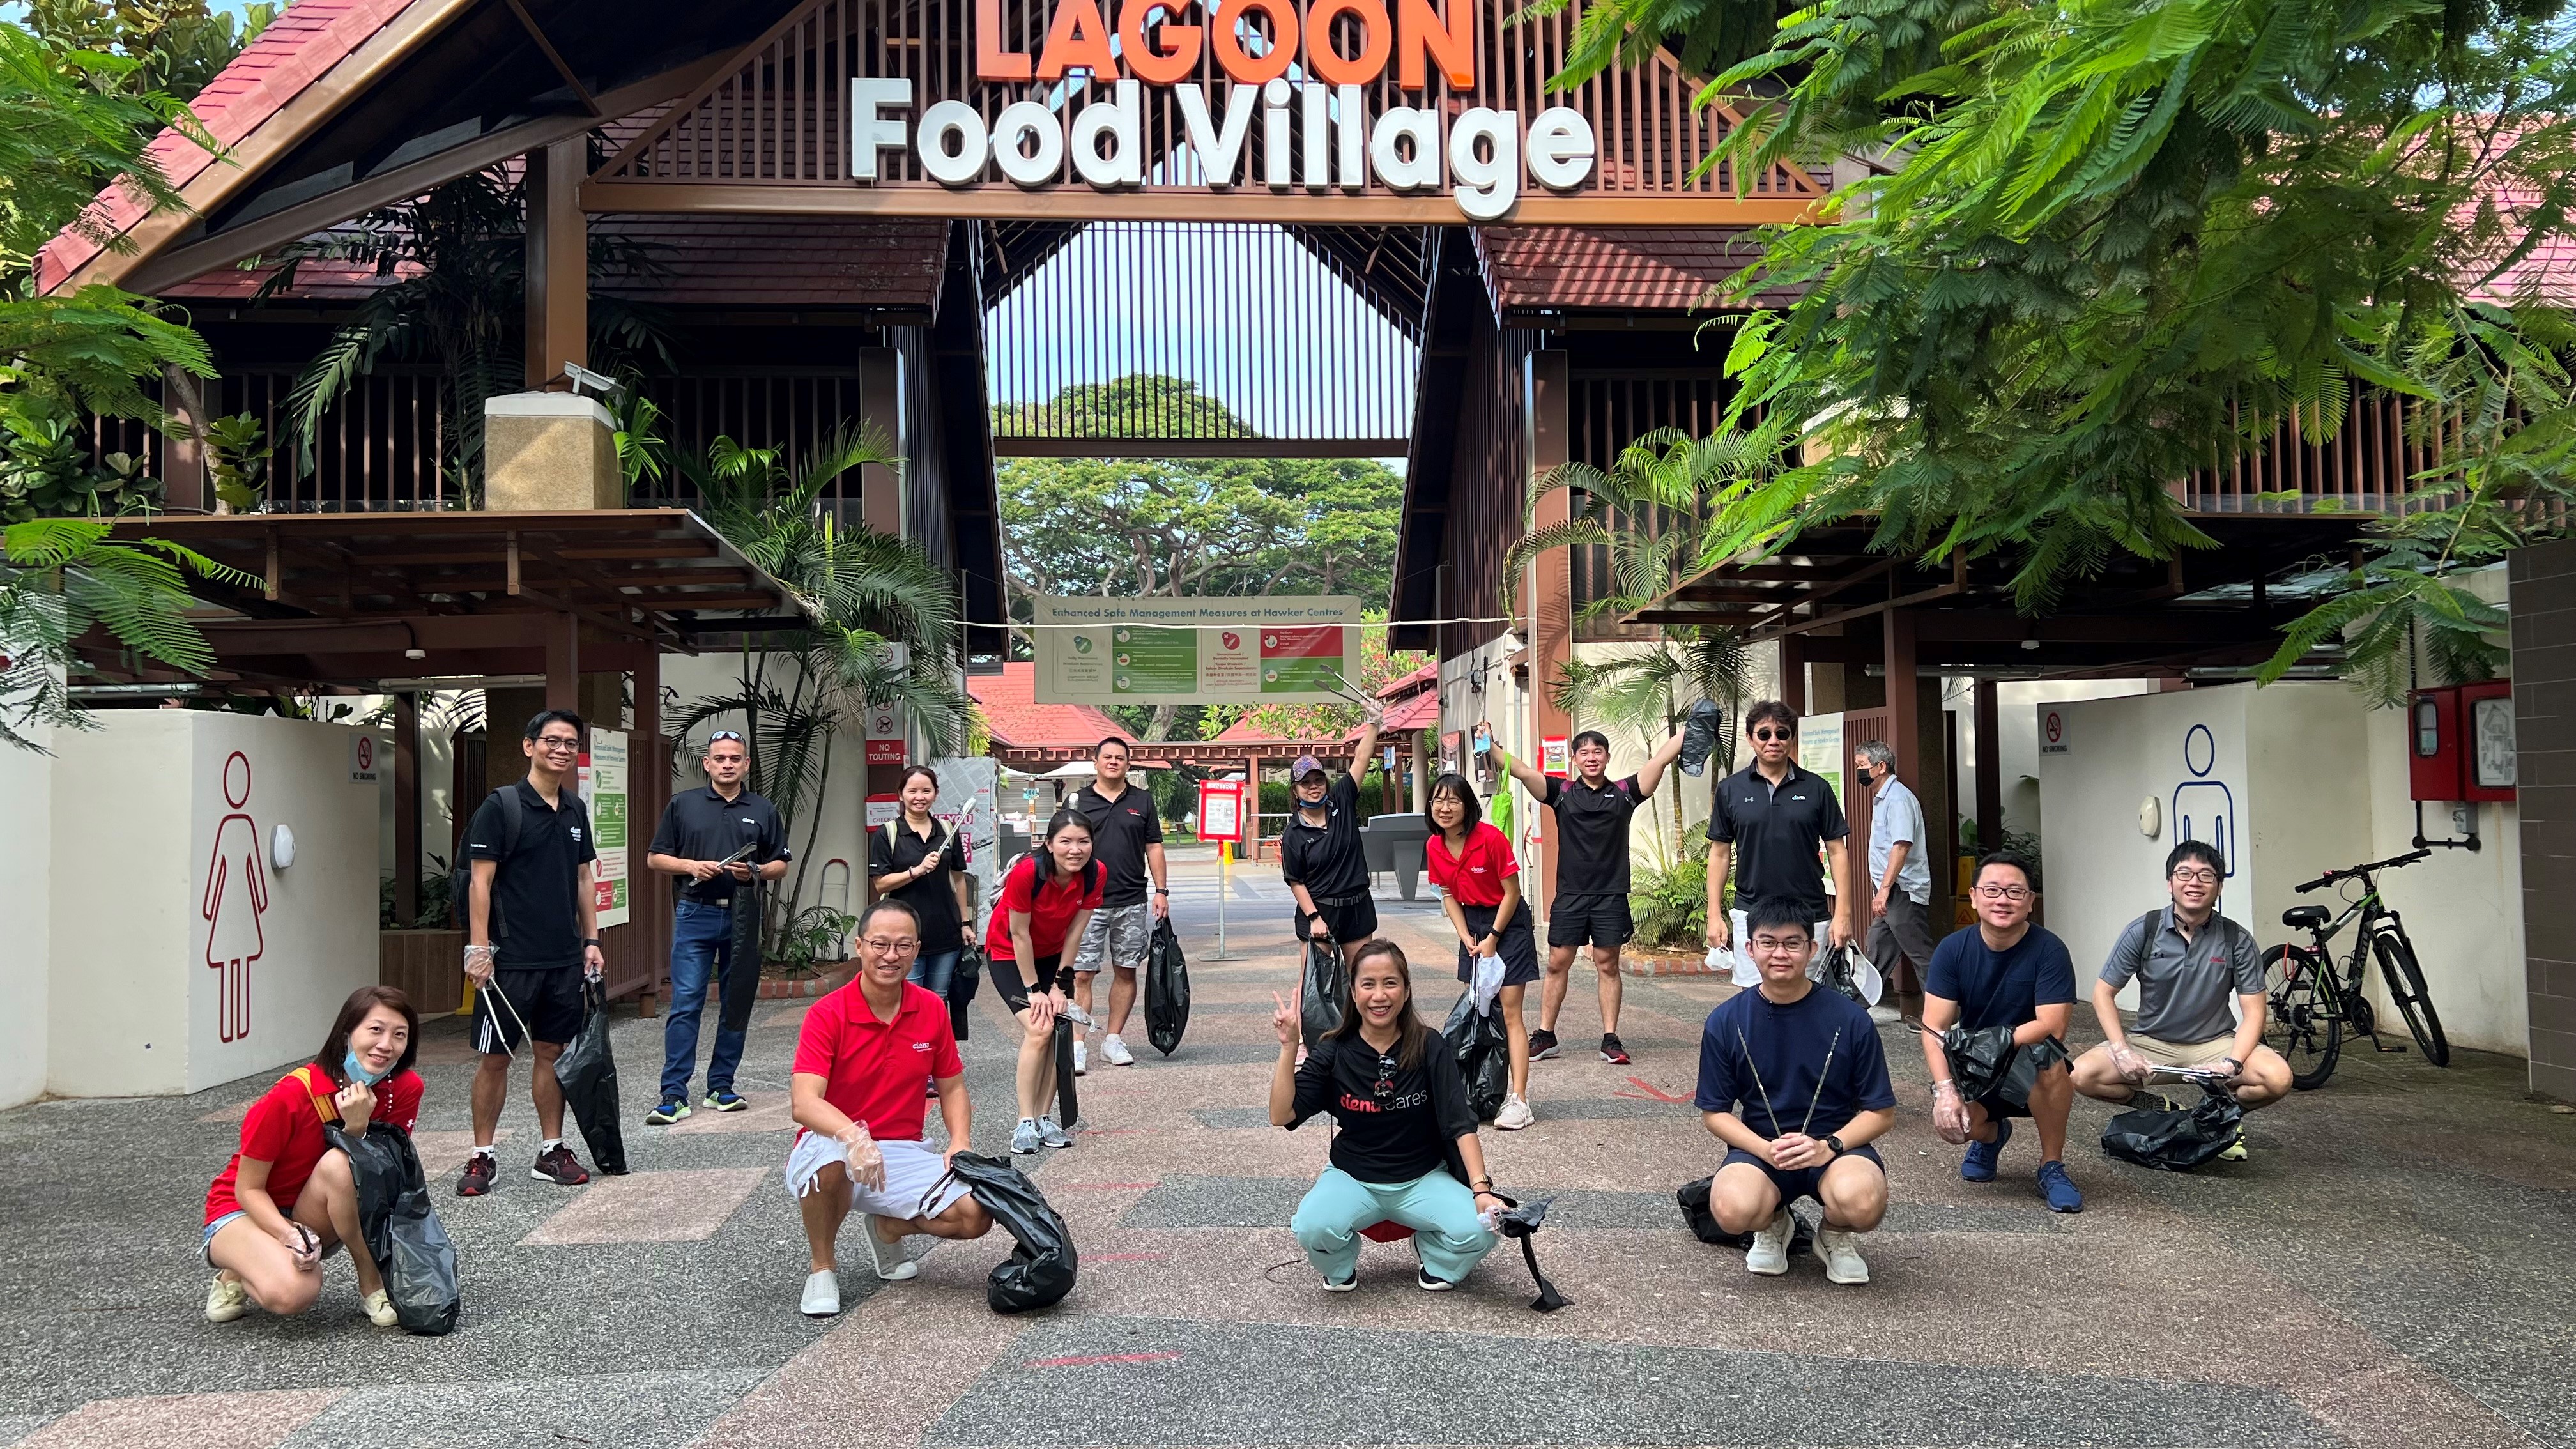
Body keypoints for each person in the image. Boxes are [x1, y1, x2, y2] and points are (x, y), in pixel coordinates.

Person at [786, 899, 994, 1316]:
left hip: (901, 1148)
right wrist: (853, 1137)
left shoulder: (932, 1008)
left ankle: (886, 1227)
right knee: (829, 1165)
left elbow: (952, 1088)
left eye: (903, 945)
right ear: (860, 946)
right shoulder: (827, 1014)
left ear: (917, 950)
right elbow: (804, 1102)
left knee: (975, 1216)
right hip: (833, 1141)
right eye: (880, 944)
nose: (891, 955)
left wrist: (960, 1142)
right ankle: (823, 1268)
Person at [1269, 939, 1506, 1292]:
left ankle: (1435, 1255)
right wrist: (1290, 1047)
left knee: (1482, 1229)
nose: (1379, 995)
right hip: (1353, 1177)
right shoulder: (1335, 1050)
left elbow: (1461, 1123)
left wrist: (1481, 1191)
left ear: (1406, 990)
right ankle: (1340, 1264)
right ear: (1353, 991)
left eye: (1390, 983)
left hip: (1423, 1178)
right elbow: (1281, 1114)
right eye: (1368, 984)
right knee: (1312, 1226)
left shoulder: (1429, 1045)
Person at [1694, 901, 1894, 1285]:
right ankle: (1773, 1225)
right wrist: (1764, 1149)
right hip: (1762, 1150)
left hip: (1837, 1148)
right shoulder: (1725, 1021)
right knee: (1730, 1209)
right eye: (1767, 943)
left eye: (1792, 943)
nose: (1780, 954)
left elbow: (1881, 1112)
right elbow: (1714, 1113)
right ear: (1749, 950)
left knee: (1863, 1203)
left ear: (1812, 949)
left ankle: (1834, 1235)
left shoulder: (1851, 1019)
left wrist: (1829, 1146)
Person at [202, 985, 424, 1327]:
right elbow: (247, 1190)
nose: (385, 1045)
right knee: (294, 1294)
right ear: (347, 1032)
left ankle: (372, 1282)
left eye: (400, 1035)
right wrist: (287, 1235)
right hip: (244, 1208)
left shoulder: (404, 1090)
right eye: (375, 1030)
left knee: (341, 1164)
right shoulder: (290, 1095)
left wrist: (357, 1130)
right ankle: (236, 1269)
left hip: (315, 1207)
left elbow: (384, 1175)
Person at [460, 709, 604, 1195]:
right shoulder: (501, 806)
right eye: (552, 741)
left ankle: (551, 1149)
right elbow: (481, 881)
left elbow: (585, 879)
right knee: (496, 1058)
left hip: (563, 958)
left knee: (552, 1053)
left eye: (569, 743)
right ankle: (482, 1155)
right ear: (529, 746)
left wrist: (591, 941)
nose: (561, 749)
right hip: (508, 961)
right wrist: (479, 949)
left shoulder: (575, 809)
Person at [2073, 841, 2292, 1154]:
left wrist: (2232, 1062)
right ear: (2170, 883)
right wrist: (2121, 1050)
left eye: (2206, 875)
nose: (2194, 882)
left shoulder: (2236, 938)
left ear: (2219, 887)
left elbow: (2255, 1012)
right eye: (2184, 873)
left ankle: (2219, 1118)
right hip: (2151, 1042)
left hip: (2215, 1043)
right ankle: (2161, 1108)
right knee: (2082, 1075)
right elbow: (2103, 993)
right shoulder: (2144, 930)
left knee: (2278, 1078)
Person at [1496, 725, 1687, 1066]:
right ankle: (1546, 1035)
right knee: (1557, 963)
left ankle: (1610, 1039)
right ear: (1574, 759)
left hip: (1610, 895)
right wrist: (1488, 743)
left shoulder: (1626, 792)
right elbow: (1522, 771)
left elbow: (1659, 761)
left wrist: (1689, 732)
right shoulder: (1562, 793)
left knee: (1607, 964)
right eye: (1583, 752)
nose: (1591, 757)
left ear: (1607, 757)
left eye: (1597, 751)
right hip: (1570, 894)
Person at [642, 728, 792, 1125]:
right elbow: (656, 858)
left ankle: (721, 1086)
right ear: (707, 764)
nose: (727, 765)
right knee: (686, 1001)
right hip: (695, 911)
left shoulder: (762, 808)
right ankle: (673, 1094)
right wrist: (692, 866)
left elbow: (780, 863)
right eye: (720, 758)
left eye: (734, 759)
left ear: (746, 764)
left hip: (743, 913)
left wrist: (755, 870)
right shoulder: (683, 805)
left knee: (736, 999)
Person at [1918, 851, 2083, 1213]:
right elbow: (1934, 1028)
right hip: (1975, 1065)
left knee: (2050, 1061)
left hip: (2028, 1061)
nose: (2002, 900)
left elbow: (2053, 1026)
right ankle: (1992, 1135)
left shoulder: (2049, 949)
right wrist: (1945, 1092)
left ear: (2030, 902)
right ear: (1974, 897)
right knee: (1956, 1128)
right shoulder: (1952, 950)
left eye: (2014, 892)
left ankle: (2051, 1165)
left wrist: (2000, 1041)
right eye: (1992, 890)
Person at [986, 808, 1105, 1154]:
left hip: (1054, 956)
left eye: (1083, 842)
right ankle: (1024, 1122)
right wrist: (1034, 991)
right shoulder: (1028, 873)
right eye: (1066, 841)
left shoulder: (1095, 873)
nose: (1075, 850)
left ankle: (1043, 1117)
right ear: (1050, 844)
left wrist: (1059, 984)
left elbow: (1076, 931)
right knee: (1039, 1029)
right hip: (1010, 953)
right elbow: (1019, 934)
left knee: (1059, 1030)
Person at [1424, 772, 1538, 1129]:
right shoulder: (1434, 845)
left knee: (1510, 1013)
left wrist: (1492, 936)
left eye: (1453, 801)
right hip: (1471, 926)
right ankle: (1475, 1089)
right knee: (1477, 1009)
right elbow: (1447, 894)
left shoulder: (1490, 839)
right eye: (1438, 801)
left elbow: (1512, 893)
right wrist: (1465, 935)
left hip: (1507, 923)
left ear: (1467, 805)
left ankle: (1519, 1100)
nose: (1445, 808)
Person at [1706, 702, 1855, 970]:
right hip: (1751, 912)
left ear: (1791, 738)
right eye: (1764, 734)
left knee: (1810, 1001)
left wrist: (1843, 912)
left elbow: (1837, 850)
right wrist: (1713, 914)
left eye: (1782, 734)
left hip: (1809, 912)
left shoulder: (1817, 789)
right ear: (1751, 739)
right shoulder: (1730, 790)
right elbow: (1719, 853)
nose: (1773, 741)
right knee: (1754, 1000)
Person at [1067, 737, 1169, 1074]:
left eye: (1120, 758)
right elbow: (1062, 846)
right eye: (1107, 757)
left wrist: (1161, 890)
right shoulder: (1078, 800)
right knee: (1082, 974)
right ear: (1095, 762)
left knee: (1126, 970)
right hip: (1085, 902)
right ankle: (1078, 1044)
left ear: (1129, 763)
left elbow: (1153, 846)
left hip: (1131, 899)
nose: (1114, 762)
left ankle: (1113, 1039)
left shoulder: (1142, 800)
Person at [1280, 699, 1385, 968]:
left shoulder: (1342, 801)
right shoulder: (1294, 832)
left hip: (1357, 907)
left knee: (1361, 981)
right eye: (1305, 783)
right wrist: (1314, 917)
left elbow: (1361, 758)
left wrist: (1374, 723)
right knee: (1314, 989)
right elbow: (1296, 881)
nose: (1313, 787)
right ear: (1295, 790)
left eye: (1318, 780)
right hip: (1320, 910)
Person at [868, 764, 972, 999]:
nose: (919, 797)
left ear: (935, 793)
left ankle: (934, 1039)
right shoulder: (888, 833)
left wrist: (965, 922)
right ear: (901, 794)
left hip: (946, 933)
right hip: (902, 936)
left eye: (926, 791)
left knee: (938, 998)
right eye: (912, 791)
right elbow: (881, 884)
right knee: (908, 998)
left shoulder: (947, 830)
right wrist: (916, 871)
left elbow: (959, 878)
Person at [1855, 739, 1933, 1024]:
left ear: (1881, 767)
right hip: (1891, 891)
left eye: (1863, 766)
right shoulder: (1884, 798)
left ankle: (1947, 1019)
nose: (1860, 772)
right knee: (1877, 948)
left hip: (1901, 891)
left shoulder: (1898, 799)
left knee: (1921, 955)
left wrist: (1884, 890)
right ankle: (1853, 1013)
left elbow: (1902, 845)